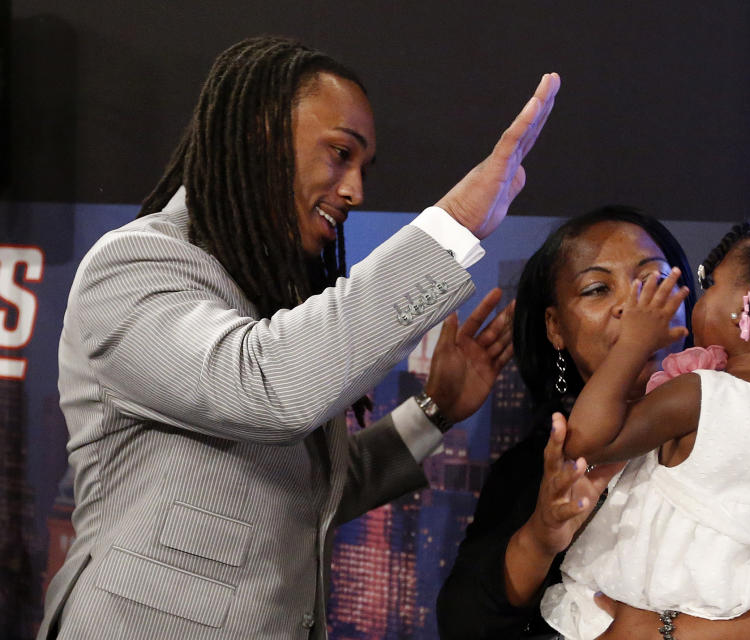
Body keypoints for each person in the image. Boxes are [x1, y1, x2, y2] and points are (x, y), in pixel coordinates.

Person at [37, 36, 560, 639]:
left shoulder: (268, 298)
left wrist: (434, 411)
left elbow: (300, 493)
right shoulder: (134, 265)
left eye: (362, 167)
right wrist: (458, 220)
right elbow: (267, 388)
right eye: (340, 153)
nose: (355, 190)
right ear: (260, 132)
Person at [436, 202, 750, 639]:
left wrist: (667, 634)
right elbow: (465, 621)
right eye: (599, 289)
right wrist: (540, 535)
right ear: (556, 327)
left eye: (654, 279)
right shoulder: (532, 466)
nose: (633, 305)